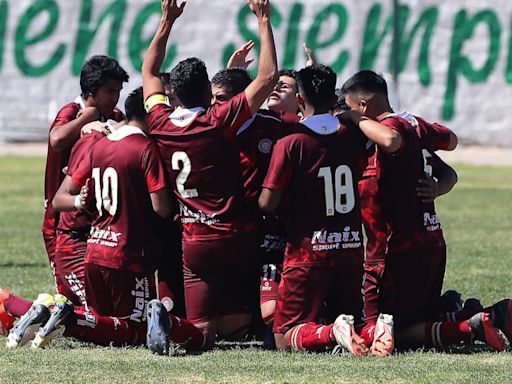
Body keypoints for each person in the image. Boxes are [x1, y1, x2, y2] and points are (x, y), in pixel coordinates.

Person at [342, 70, 511, 352]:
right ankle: (489, 315)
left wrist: (353, 119)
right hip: (430, 239)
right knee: (420, 316)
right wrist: (438, 187)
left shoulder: (393, 130)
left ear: (363, 106)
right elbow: (451, 151)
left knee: (384, 331)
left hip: (394, 248)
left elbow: (392, 140)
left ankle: (469, 325)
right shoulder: (415, 126)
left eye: (350, 111)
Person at [142, 0, 278, 348]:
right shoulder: (216, 122)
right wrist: (263, 20)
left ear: (173, 93)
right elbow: (267, 78)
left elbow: (150, 72)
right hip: (235, 235)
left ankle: (172, 325)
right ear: (208, 91)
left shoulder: (160, 122)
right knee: (241, 328)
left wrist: (167, 21)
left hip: (194, 240)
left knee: (201, 335)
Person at [259, 64, 402, 355]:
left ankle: (332, 332)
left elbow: (267, 202)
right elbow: (390, 141)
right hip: (350, 249)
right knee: (355, 320)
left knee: (284, 337)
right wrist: (354, 117)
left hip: (308, 252)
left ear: (300, 100)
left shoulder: (291, 141)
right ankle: (375, 329)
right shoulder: (352, 134)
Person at [211, 67, 288, 347]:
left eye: (220, 99)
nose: (214, 106)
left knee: (265, 315)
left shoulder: (275, 126)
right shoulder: (208, 126)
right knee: (227, 328)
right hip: (220, 233)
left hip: (266, 233)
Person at [42, 55, 128, 293]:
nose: (115, 98)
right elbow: (57, 139)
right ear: (92, 90)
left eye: (118, 91)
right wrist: (88, 118)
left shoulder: (115, 116)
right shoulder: (72, 111)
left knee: (98, 294)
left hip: (95, 221)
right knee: (70, 297)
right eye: (110, 91)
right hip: (61, 223)